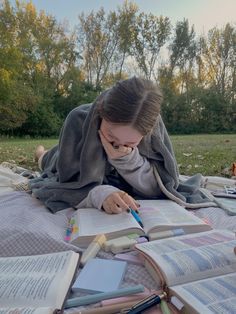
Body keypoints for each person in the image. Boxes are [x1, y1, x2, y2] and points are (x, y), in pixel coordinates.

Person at [30, 76, 214, 213]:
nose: (117, 145)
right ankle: (40, 152)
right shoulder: (77, 118)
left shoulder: (154, 132)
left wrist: (128, 161)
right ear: (101, 113)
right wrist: (99, 193)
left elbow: (164, 185)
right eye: (110, 134)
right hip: (61, 155)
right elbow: (66, 181)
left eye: (131, 142)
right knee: (47, 159)